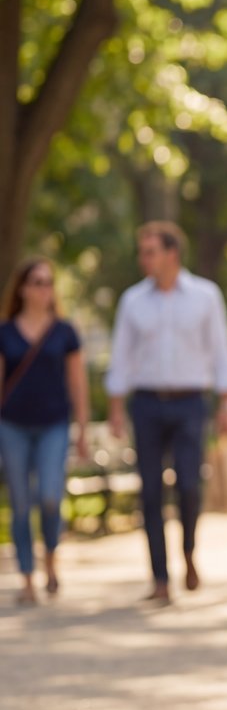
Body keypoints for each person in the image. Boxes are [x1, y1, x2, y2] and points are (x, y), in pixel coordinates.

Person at [106, 222, 227, 602]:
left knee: (189, 486)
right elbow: (121, 358)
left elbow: (221, 353)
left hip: (190, 402)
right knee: (149, 492)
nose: (142, 258)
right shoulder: (132, 301)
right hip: (147, 403)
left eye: (150, 251)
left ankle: (188, 552)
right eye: (142, 251)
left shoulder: (205, 296)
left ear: (171, 254)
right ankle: (160, 578)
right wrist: (116, 408)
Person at [0, 258, 90, 604]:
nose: (44, 289)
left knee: (51, 498)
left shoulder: (65, 332)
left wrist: (81, 428)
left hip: (54, 424)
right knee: (21, 503)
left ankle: (50, 558)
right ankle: (26, 578)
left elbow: (77, 383)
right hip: (12, 426)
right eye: (37, 282)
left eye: (48, 282)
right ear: (22, 288)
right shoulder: (5, 333)